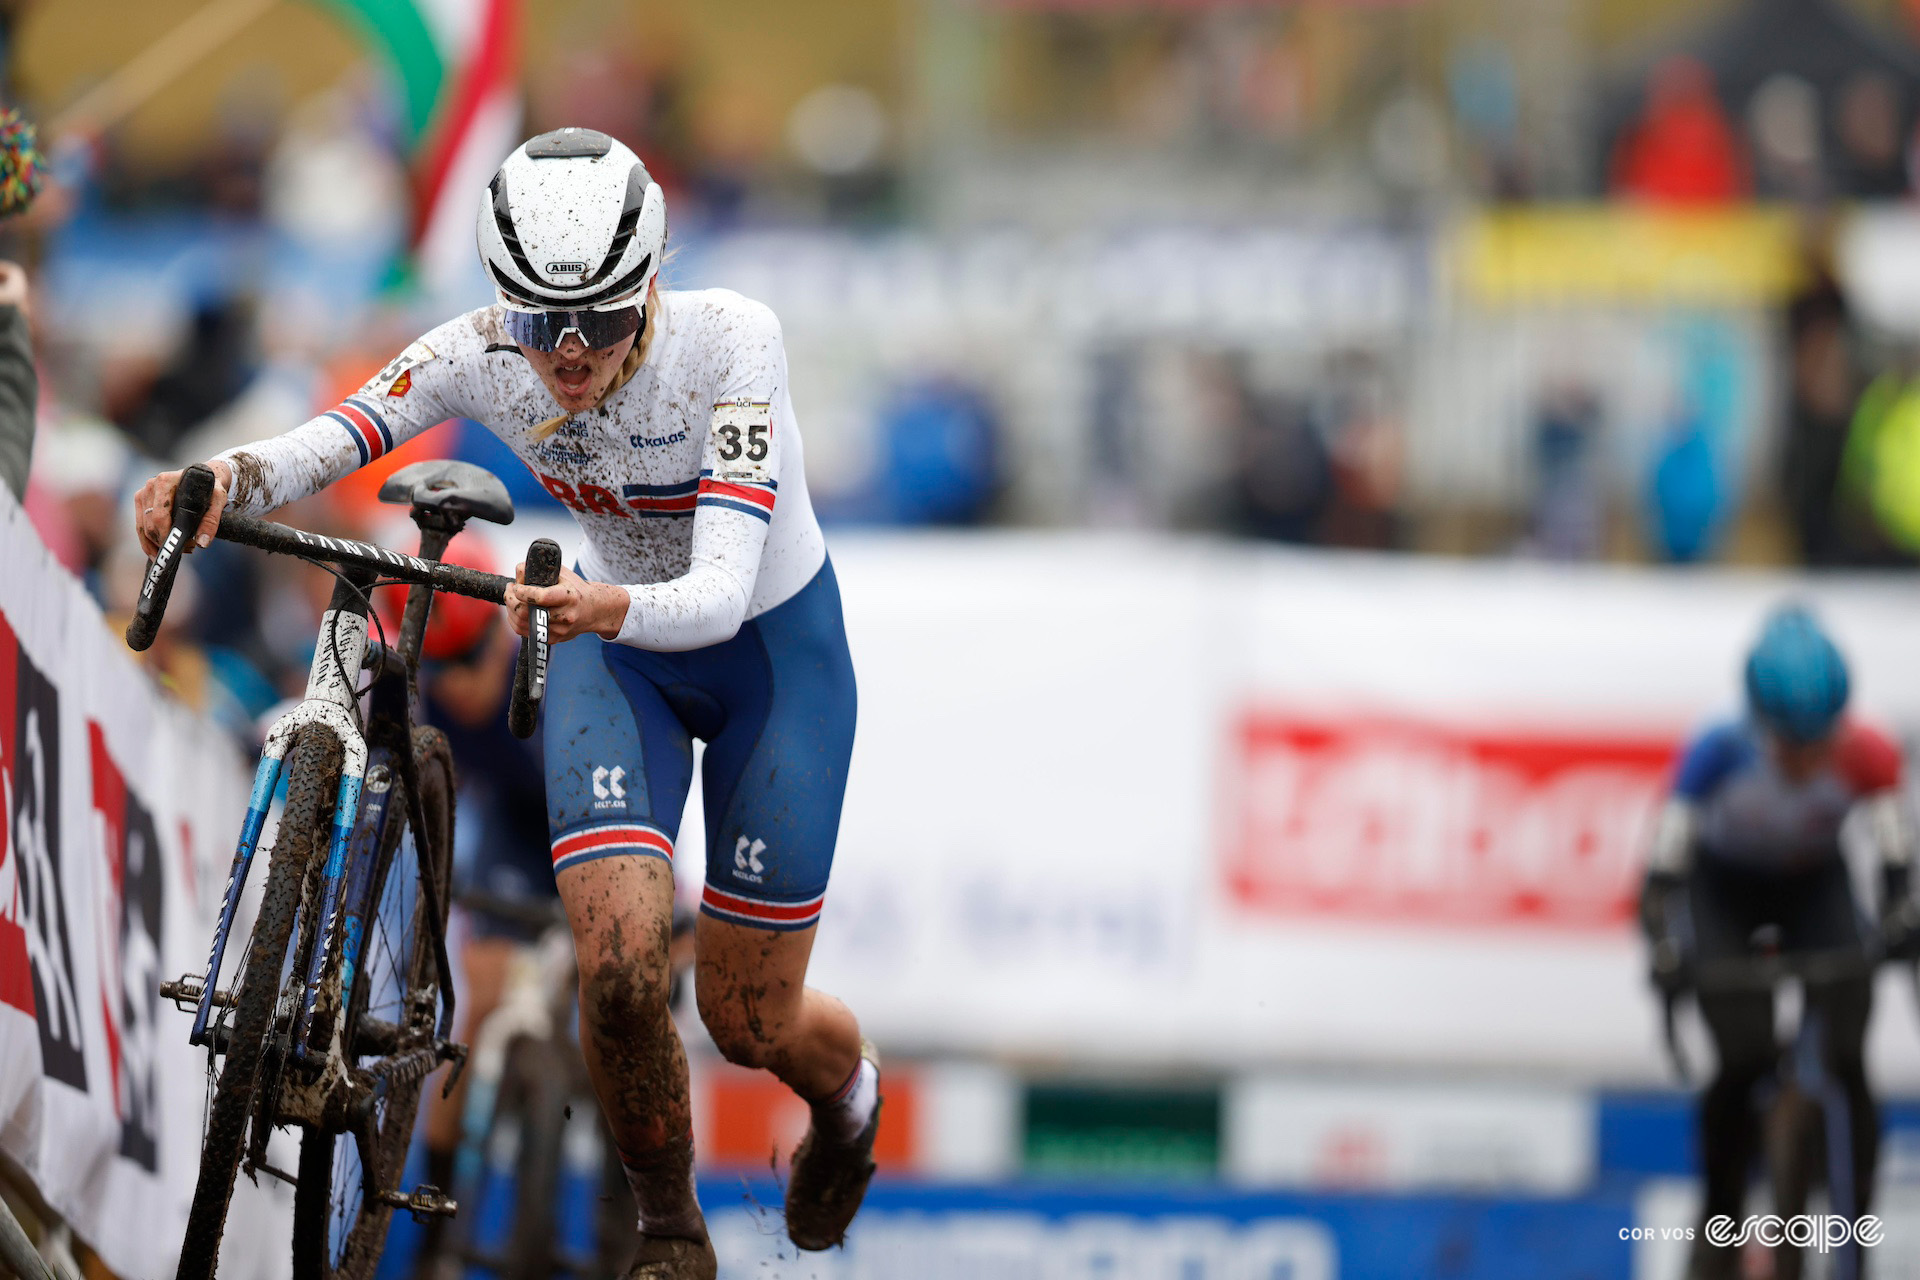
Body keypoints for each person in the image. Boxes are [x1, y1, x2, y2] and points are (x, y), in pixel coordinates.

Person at [132, 128, 876, 1279]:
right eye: (539, 323)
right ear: (502, 301)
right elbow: (341, 435)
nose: (568, 355)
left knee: (747, 1020)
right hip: (607, 635)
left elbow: (722, 594)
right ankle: (671, 1229)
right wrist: (227, 476)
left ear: (654, 286)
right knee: (619, 968)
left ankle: (849, 1104)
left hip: (766, 654)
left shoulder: (735, 344)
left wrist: (598, 604)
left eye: (602, 323)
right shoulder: (477, 351)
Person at [1639, 605, 1920, 1280]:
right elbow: (1662, 875)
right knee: (1740, 1055)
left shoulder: (1867, 753)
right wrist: (1665, 949)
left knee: (1850, 1056)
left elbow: (1894, 865)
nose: (1805, 762)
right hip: (1724, 887)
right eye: (1789, 747)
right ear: (1759, 726)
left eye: (1819, 744)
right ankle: (1723, 1214)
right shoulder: (1715, 750)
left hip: (1812, 884)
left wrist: (1898, 923)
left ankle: (1856, 1231)